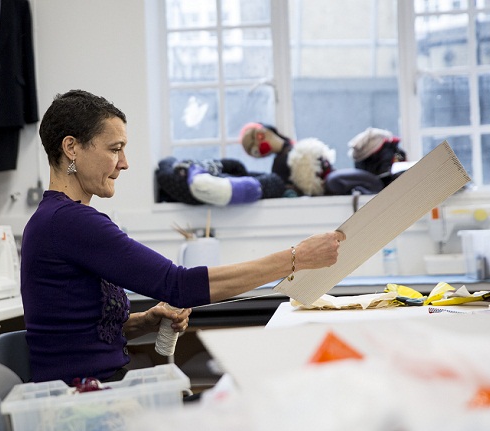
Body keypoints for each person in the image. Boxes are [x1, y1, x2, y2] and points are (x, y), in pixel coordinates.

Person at [21, 90, 345, 385]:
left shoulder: (57, 219)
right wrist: (297, 258)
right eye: (115, 149)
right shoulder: (70, 222)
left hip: (95, 387)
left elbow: (77, 334)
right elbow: (179, 285)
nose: (124, 163)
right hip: (82, 401)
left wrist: (143, 322)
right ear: (71, 148)